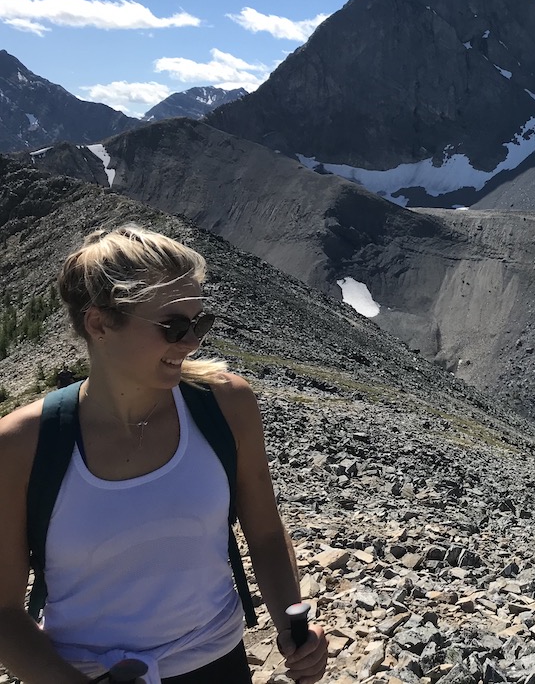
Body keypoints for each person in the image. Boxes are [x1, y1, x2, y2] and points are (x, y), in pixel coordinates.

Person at [0, 226, 328, 683]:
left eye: (200, 324)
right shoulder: (21, 444)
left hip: (218, 663)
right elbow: (4, 613)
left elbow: (266, 531)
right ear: (99, 324)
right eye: (174, 327)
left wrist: (293, 624)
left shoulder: (225, 403)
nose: (192, 342)